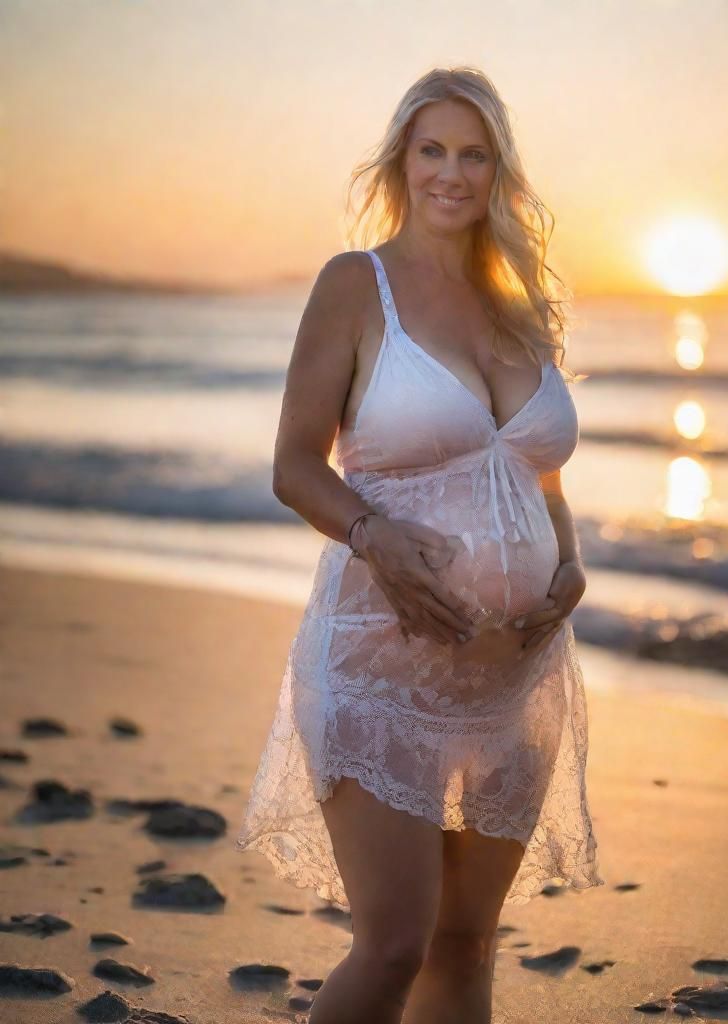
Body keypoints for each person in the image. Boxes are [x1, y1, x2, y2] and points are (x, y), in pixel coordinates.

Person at [236, 65, 603, 1024]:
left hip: (515, 673)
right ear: (402, 160)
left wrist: (566, 561)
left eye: (473, 154)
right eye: (432, 149)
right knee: (396, 944)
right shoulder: (357, 286)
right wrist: (376, 536)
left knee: (467, 943)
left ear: (498, 171)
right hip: (378, 660)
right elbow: (292, 463)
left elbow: (535, 469)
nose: (452, 172)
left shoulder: (518, 302)